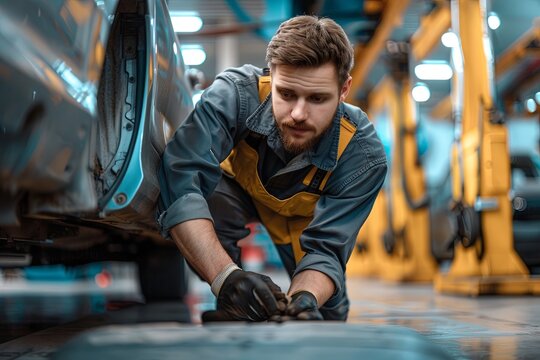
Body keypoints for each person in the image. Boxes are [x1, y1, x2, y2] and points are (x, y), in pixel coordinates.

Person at [157, 15, 387, 322]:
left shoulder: (362, 153)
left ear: (344, 89)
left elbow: (327, 249)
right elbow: (181, 180)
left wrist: (304, 297)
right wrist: (225, 278)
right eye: (287, 94)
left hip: (304, 221)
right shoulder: (235, 95)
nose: (298, 114)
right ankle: (234, 302)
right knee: (204, 196)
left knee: (324, 316)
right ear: (271, 75)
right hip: (236, 193)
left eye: (318, 98)